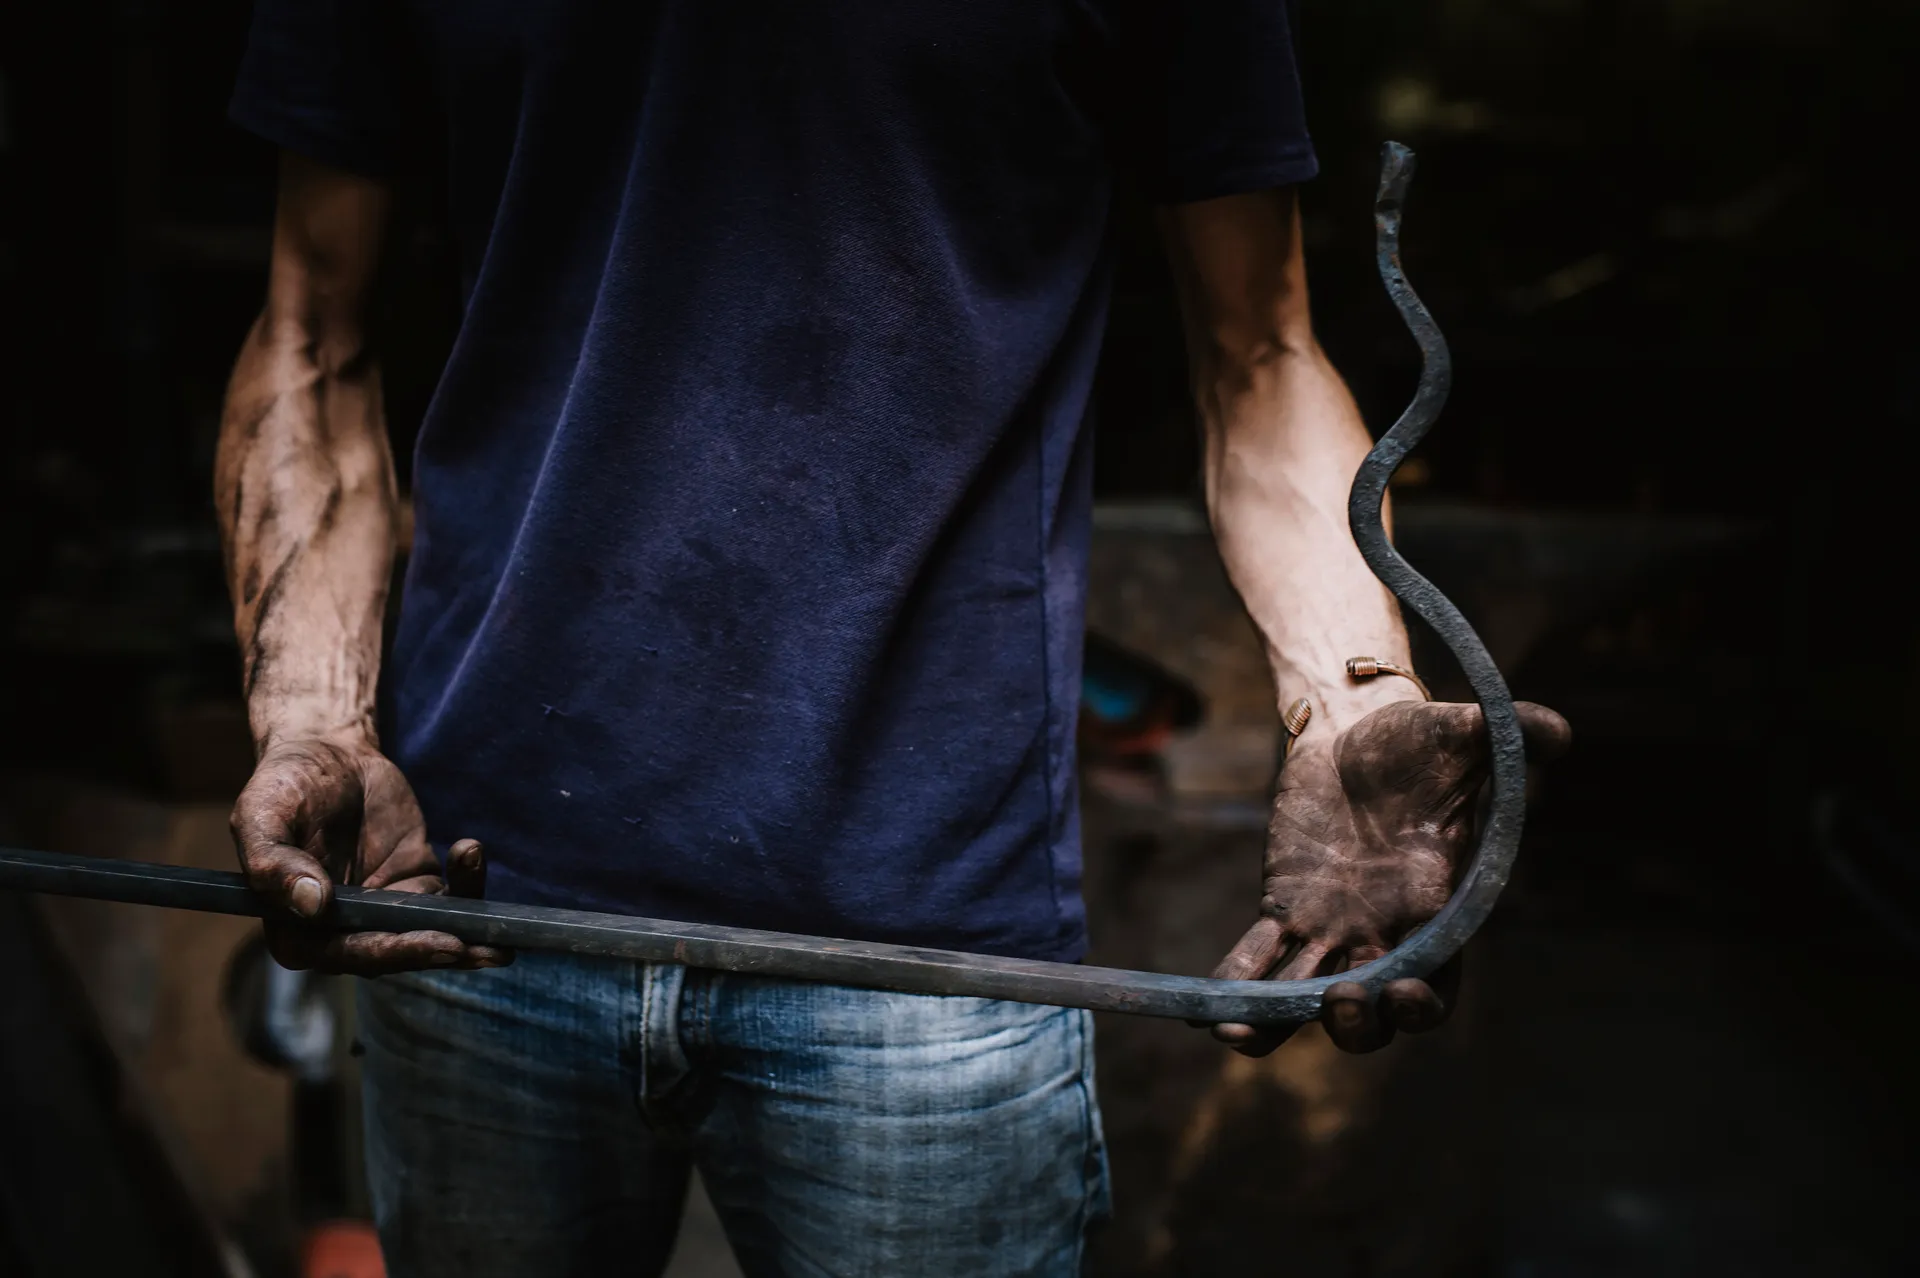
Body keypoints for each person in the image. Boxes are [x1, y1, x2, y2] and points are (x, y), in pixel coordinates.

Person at [216, 2, 1570, 1274]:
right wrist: (312, 716)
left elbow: (1262, 354)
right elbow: (311, 328)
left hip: (932, 943)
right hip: (474, 898)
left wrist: (1353, 697)